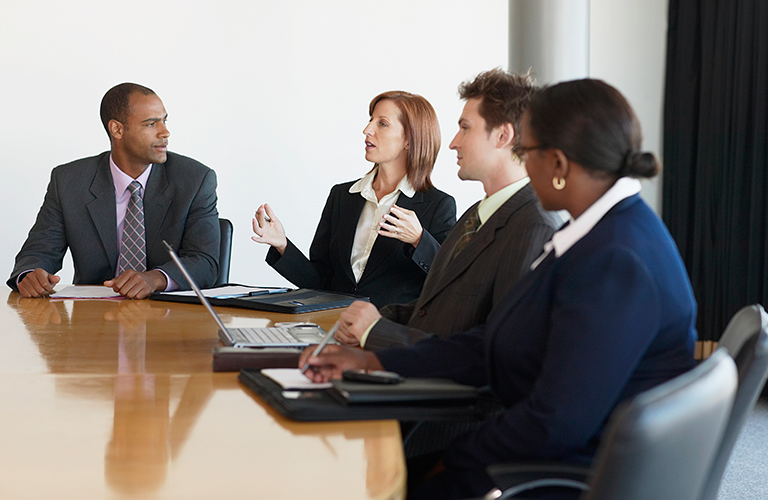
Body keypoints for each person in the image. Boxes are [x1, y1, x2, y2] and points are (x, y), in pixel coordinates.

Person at [300, 79, 698, 499]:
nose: (522, 162)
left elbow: (556, 420)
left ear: (558, 165)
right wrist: (374, 361)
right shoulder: (599, 236)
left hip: (554, 475)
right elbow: (494, 344)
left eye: (529, 151)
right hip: (539, 457)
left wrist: (454, 457)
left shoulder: (616, 259)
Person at [333, 69, 560, 351]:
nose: (453, 142)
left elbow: (497, 350)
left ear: (503, 136)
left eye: (465, 128)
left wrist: (376, 334)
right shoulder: (475, 215)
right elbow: (438, 308)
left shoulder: (534, 227)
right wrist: (371, 322)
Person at [7, 83, 220, 300]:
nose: (165, 132)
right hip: (93, 320)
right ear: (117, 129)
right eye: (151, 124)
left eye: (164, 120)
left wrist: (154, 278)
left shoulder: (195, 180)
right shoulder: (69, 181)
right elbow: (38, 252)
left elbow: (206, 262)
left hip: (169, 317)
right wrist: (31, 275)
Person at [251, 91, 456, 308]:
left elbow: (450, 280)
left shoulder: (438, 206)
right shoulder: (342, 196)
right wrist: (282, 245)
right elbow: (320, 281)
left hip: (388, 333)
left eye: (382, 124)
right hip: (332, 324)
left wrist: (419, 239)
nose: (367, 130)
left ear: (409, 139)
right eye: (371, 120)